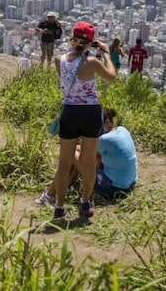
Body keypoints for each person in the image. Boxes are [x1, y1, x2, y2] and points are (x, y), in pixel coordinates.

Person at [50, 21, 116, 221]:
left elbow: (66, 82)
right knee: (88, 162)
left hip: (69, 112)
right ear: (90, 42)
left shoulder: (58, 60)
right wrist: (105, 53)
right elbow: (112, 76)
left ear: (72, 39)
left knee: (64, 163)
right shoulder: (92, 62)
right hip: (90, 113)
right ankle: (85, 203)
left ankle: (59, 207)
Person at [36, 108, 137, 205]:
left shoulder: (105, 139)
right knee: (84, 156)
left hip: (113, 188)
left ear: (107, 122)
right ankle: (65, 186)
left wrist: (69, 145)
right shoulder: (122, 130)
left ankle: (52, 194)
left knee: (71, 155)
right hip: (129, 183)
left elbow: (89, 156)